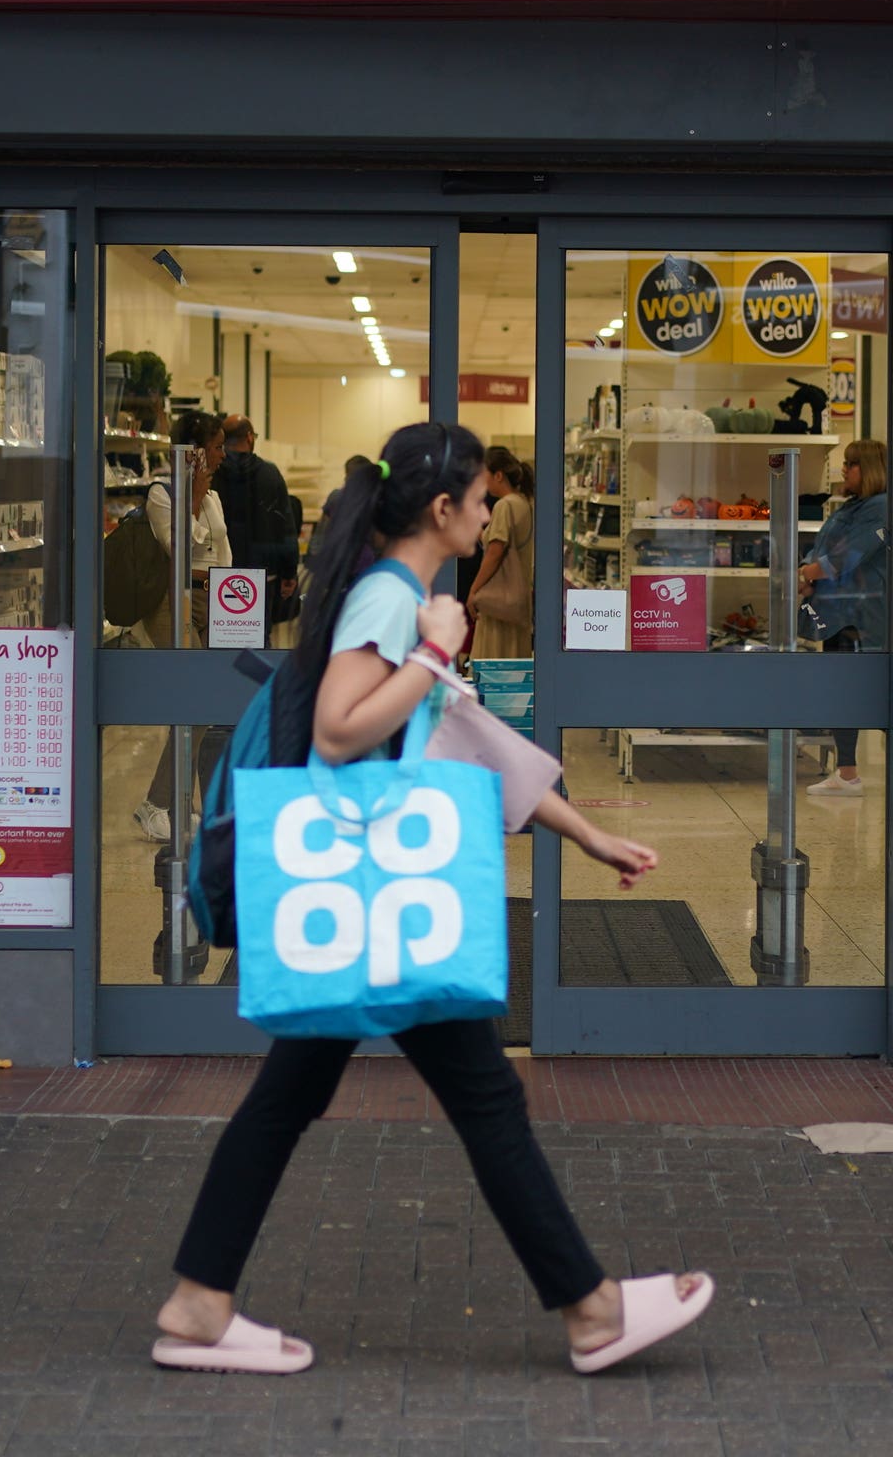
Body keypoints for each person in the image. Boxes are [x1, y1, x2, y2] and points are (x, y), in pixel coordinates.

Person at [151, 421, 715, 1379]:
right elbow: (338, 730)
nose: (493, 509)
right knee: (481, 1097)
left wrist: (584, 833)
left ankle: (201, 1302)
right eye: (482, 496)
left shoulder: (404, 594)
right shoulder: (392, 598)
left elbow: (461, 738)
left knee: (299, 1098)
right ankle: (591, 1310)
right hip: (380, 893)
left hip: (369, 896)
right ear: (442, 508)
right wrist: (433, 650)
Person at [133, 409, 234, 843]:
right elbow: (181, 545)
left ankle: (178, 803)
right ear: (192, 452)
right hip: (172, 601)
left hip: (213, 599)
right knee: (192, 700)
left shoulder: (213, 496)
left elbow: (221, 549)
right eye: (216, 447)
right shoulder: (162, 493)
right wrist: (191, 492)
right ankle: (155, 804)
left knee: (208, 704)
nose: (223, 455)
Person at [799, 438, 888, 795]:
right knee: (840, 691)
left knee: (850, 692)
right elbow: (825, 551)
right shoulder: (853, 506)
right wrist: (807, 572)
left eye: (850, 464)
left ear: (868, 470)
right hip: (839, 613)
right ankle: (846, 771)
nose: (843, 470)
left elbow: (845, 558)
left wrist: (806, 574)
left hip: (858, 617)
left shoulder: (880, 509)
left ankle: (849, 775)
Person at [212, 415, 301, 622]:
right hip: (263, 575)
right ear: (250, 437)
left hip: (219, 575)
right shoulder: (269, 474)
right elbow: (285, 527)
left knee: (221, 636)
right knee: (259, 637)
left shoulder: (212, 474)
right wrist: (289, 572)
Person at [462, 445, 536, 661]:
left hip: (498, 602)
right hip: (517, 598)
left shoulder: (504, 506)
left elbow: (495, 552)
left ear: (498, 475)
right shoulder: (523, 503)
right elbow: (495, 540)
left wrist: (473, 591)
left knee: (492, 660)